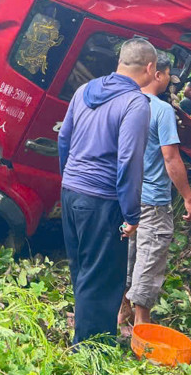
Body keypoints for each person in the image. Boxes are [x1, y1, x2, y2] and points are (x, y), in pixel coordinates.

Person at [57, 38, 155, 345]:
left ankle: (84, 337)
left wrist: (69, 179)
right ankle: (92, 348)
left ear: (120, 62)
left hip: (71, 191)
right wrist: (132, 214)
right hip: (102, 199)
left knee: (83, 268)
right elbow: (129, 160)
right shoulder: (135, 103)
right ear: (150, 67)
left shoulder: (84, 90)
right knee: (102, 275)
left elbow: (63, 139)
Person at [121, 54, 191, 327]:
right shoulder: (161, 110)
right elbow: (171, 158)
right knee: (150, 257)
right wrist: (189, 198)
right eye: (167, 75)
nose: (169, 81)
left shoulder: (122, 103)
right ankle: (141, 324)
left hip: (124, 196)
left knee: (126, 256)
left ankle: (121, 313)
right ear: (156, 73)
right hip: (153, 200)